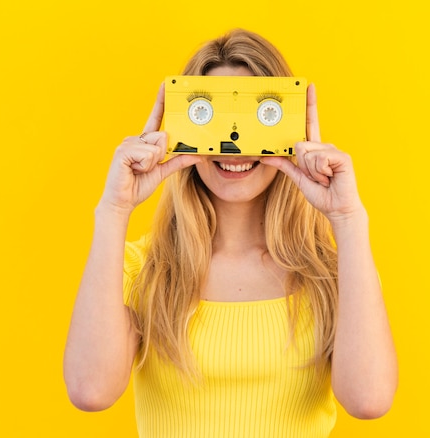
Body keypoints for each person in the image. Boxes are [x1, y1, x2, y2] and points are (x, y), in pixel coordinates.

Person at [63, 29, 398, 437]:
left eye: (262, 118)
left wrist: (348, 219)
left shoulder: (337, 273)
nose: (233, 145)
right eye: (209, 116)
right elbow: (89, 390)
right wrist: (114, 210)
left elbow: (369, 400)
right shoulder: (142, 270)